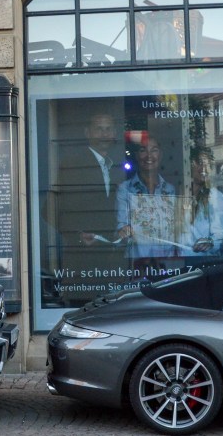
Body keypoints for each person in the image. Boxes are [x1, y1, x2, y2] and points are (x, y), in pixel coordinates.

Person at [53, 110, 126, 301]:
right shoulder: (73, 164)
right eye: (98, 129)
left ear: (115, 133)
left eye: (108, 129)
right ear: (87, 132)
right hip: (83, 262)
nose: (104, 134)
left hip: (111, 263)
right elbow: (52, 209)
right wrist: (77, 236)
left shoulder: (116, 167)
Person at [116, 134, 181, 273]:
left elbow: (176, 228)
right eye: (143, 150)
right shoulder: (125, 189)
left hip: (167, 263)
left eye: (154, 150)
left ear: (161, 155)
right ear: (136, 155)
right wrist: (124, 231)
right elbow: (121, 227)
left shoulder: (170, 189)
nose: (149, 155)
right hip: (138, 264)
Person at [181, 147, 223, 259]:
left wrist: (209, 242)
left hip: (203, 262)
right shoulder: (178, 193)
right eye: (200, 162)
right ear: (189, 165)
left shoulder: (216, 197)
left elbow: (219, 234)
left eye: (208, 164)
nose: (204, 168)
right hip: (176, 262)